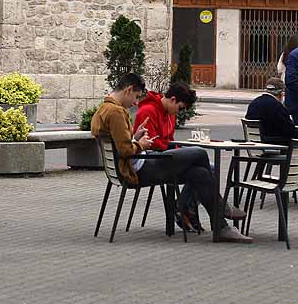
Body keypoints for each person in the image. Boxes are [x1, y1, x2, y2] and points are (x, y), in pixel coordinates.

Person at [92, 73, 251, 243]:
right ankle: (219, 212)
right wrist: (142, 145)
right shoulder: (116, 112)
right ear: (128, 90)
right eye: (136, 97)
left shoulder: (103, 109)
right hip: (139, 169)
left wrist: (135, 137)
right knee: (199, 153)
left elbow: (121, 144)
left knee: (200, 173)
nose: (136, 103)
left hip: (134, 166)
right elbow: (125, 151)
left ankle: (221, 226)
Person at [132, 82, 202, 226]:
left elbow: (169, 141)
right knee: (201, 161)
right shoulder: (148, 111)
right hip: (153, 161)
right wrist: (177, 150)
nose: (179, 112)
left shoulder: (170, 113)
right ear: (173, 99)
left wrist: (178, 148)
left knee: (206, 168)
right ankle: (185, 208)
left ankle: (183, 207)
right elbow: (151, 143)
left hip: (166, 157)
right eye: (180, 108)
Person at [245, 76, 298, 146]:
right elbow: (290, 131)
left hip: (255, 144)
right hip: (274, 145)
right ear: (281, 94)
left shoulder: (253, 103)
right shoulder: (277, 107)